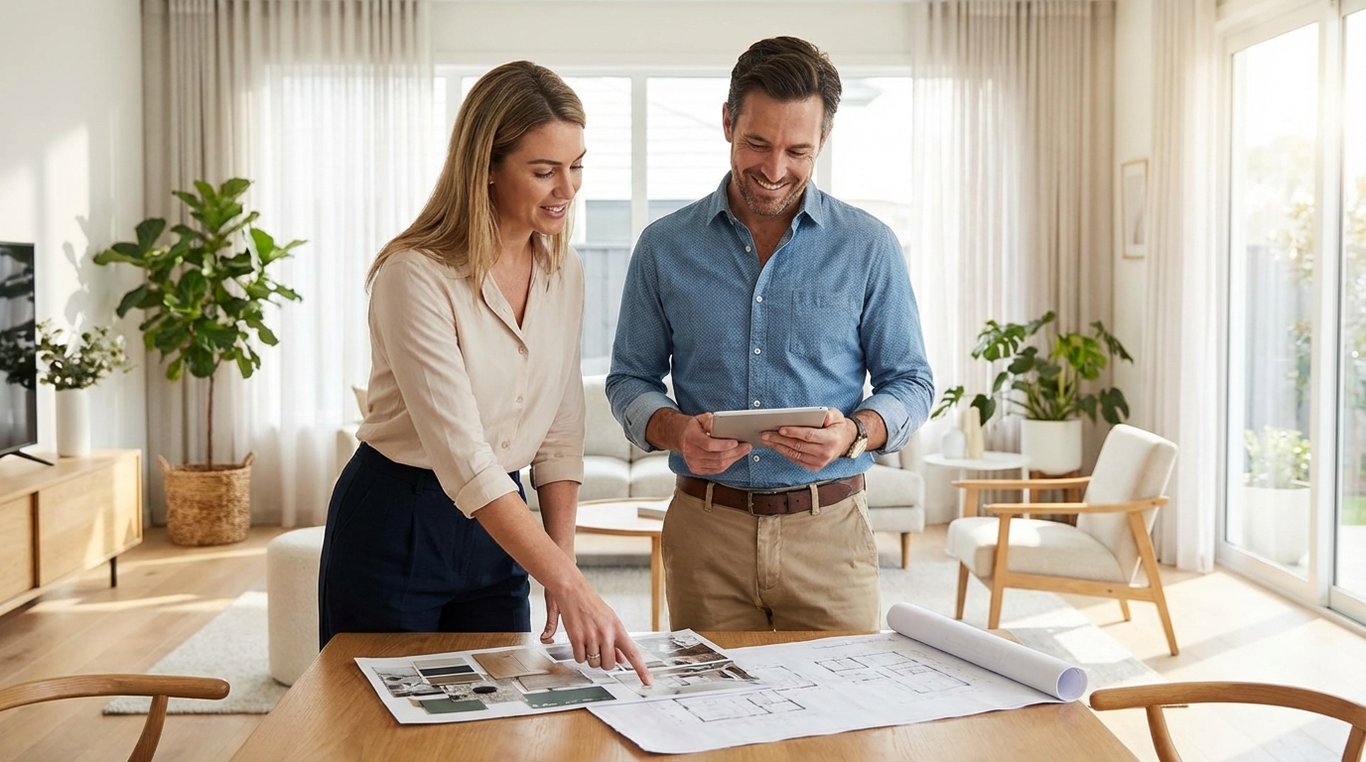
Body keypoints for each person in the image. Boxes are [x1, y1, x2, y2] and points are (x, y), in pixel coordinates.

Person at [319, 61, 649, 683]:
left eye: (576, 165)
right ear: (487, 168)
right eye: (543, 170)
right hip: (399, 518)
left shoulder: (565, 270)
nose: (567, 188)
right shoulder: (413, 275)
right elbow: (464, 457)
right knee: (379, 728)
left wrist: (559, 564)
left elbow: (559, 427)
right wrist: (571, 584)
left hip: (503, 527)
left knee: (498, 718)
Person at [606, 37, 934, 632]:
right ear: (728, 121)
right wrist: (677, 430)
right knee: (707, 717)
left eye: (797, 150)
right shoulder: (663, 247)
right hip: (707, 535)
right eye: (757, 143)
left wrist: (856, 432)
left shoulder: (869, 247)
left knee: (843, 722)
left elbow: (910, 381)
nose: (774, 170)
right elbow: (629, 379)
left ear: (823, 142)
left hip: (830, 534)